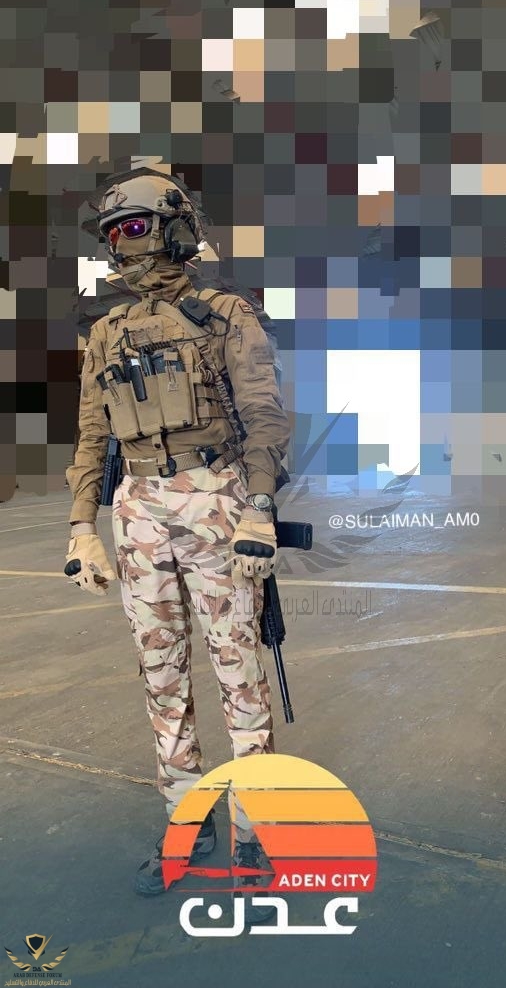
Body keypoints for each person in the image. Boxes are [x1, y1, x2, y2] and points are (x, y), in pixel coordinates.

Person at [64, 172, 291, 915]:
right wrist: (82, 528)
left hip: (216, 497)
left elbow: (264, 416)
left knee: (237, 668)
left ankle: (254, 831)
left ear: (174, 230)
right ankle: (186, 823)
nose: (122, 244)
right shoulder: (106, 332)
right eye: (113, 233)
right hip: (137, 509)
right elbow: (91, 435)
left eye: (134, 227)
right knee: (160, 675)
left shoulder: (227, 315)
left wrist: (260, 507)